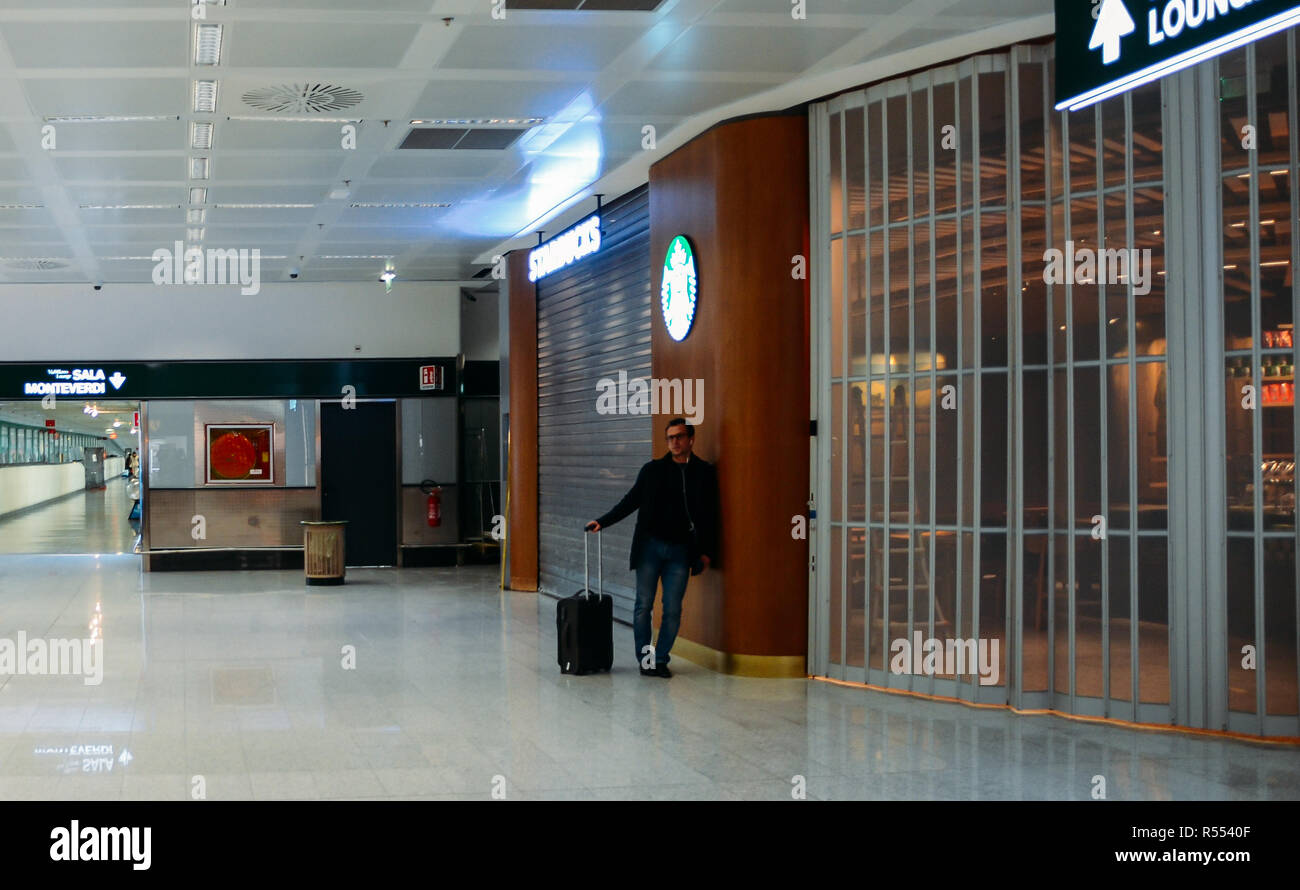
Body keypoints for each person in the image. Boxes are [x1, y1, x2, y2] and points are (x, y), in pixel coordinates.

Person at [585, 418, 718, 678]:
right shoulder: (653, 470)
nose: (674, 442)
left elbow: (711, 516)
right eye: (670, 438)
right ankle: (646, 660)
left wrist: (707, 552)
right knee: (643, 605)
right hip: (649, 548)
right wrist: (603, 521)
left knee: (672, 609)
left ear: (691, 439)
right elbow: (630, 501)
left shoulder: (703, 472)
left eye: (679, 437)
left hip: (681, 551)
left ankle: (661, 659)